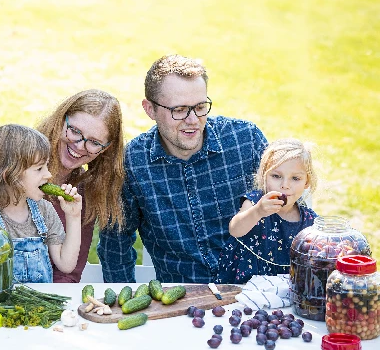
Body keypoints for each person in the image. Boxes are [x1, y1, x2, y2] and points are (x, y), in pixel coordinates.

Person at [97, 54, 268, 284]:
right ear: (150, 109)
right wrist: (123, 303)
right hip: (180, 299)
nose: (193, 120)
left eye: (200, 107)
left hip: (254, 292)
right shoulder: (132, 162)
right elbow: (115, 246)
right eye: (179, 110)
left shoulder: (245, 140)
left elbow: (290, 214)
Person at [0, 89, 125, 283]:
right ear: (60, 120)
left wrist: (41, 306)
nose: (80, 146)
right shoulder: (2, 174)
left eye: (93, 142)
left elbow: (68, 272)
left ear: (105, 148)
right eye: (75, 131)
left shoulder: (79, 196)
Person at [0, 124, 82, 283]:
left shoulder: (44, 211)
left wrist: (74, 216)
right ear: (10, 175)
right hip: (1, 306)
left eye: (46, 166)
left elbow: (66, 264)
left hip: (42, 306)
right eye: (39, 168)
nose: (48, 175)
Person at [216, 138, 318, 284]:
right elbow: (235, 229)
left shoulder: (309, 220)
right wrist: (258, 212)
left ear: (307, 182)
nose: (285, 185)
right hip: (244, 285)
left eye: (295, 178)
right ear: (264, 175)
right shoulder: (256, 202)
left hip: (282, 290)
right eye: (276, 176)